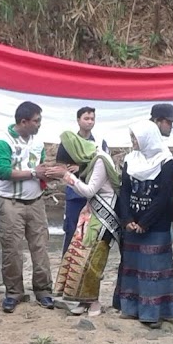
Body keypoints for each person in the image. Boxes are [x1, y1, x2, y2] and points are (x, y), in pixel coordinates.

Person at [0, 101, 54, 313]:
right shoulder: (3, 142)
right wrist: (34, 173)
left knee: (41, 247)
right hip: (11, 203)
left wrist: (50, 174)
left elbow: (41, 167)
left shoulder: (38, 141)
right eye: (36, 121)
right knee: (12, 249)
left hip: (36, 202)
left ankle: (43, 290)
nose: (39, 125)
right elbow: (2, 171)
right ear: (23, 121)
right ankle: (14, 292)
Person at [49, 131, 121, 316]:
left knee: (93, 261)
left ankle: (94, 301)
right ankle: (82, 300)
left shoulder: (99, 160)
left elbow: (89, 191)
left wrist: (67, 176)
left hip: (104, 217)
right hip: (91, 214)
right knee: (79, 257)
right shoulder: (91, 159)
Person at [116, 122, 173, 327]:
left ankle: (154, 313)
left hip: (156, 225)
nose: (134, 142)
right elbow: (124, 191)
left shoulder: (165, 161)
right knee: (133, 267)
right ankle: (131, 308)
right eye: (132, 138)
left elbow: (164, 196)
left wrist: (145, 222)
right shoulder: (130, 159)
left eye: (136, 138)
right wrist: (127, 219)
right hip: (132, 224)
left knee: (154, 269)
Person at [61, 106, 109, 255]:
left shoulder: (99, 143)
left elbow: (104, 166)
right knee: (72, 231)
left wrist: (80, 168)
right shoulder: (68, 142)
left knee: (92, 233)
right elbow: (62, 167)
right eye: (86, 118)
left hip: (94, 194)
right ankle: (67, 271)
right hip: (74, 194)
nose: (89, 122)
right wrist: (70, 171)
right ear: (78, 120)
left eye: (92, 119)